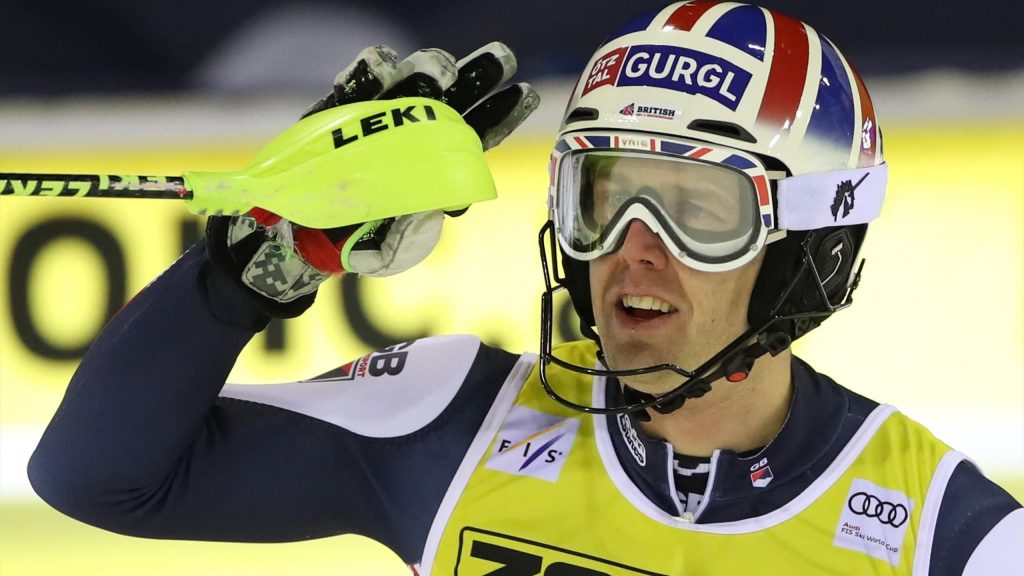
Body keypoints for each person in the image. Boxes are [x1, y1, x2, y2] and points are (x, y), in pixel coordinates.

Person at [27, 2, 1021, 574]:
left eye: (697, 210)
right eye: (604, 197)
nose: (634, 249)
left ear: (811, 246)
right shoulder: (452, 418)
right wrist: (241, 276)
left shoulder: (952, 538)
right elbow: (95, 477)